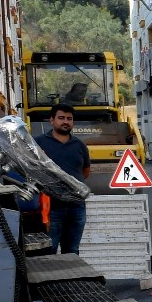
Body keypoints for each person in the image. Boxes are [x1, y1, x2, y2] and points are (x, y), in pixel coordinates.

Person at [35, 103, 91, 254]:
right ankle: (52, 277)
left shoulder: (79, 145)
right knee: (49, 249)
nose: (65, 122)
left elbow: (85, 171)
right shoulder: (38, 143)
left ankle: (72, 278)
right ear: (52, 120)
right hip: (51, 207)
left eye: (69, 119)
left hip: (76, 206)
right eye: (61, 118)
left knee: (72, 250)